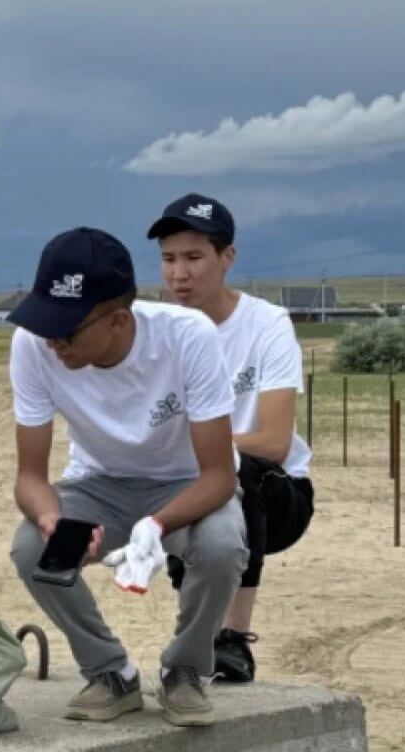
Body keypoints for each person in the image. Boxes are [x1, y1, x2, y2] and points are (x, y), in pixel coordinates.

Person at [7, 226, 247, 727]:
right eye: (43, 322)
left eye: (66, 330)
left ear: (118, 320)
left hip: (187, 484)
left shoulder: (187, 337)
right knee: (32, 548)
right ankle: (110, 673)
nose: (52, 342)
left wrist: (155, 526)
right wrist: (52, 518)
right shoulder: (32, 347)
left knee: (222, 544)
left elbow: (220, 477)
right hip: (98, 483)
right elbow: (28, 476)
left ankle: (185, 670)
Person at [148, 193, 314, 682]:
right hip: (190, 481)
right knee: (186, 479)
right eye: (169, 259)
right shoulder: (155, 331)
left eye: (194, 257)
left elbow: (276, 440)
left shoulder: (266, 325)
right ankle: (195, 635)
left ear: (227, 258)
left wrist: (206, 450)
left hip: (276, 496)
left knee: (239, 465)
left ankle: (232, 639)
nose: (180, 273)